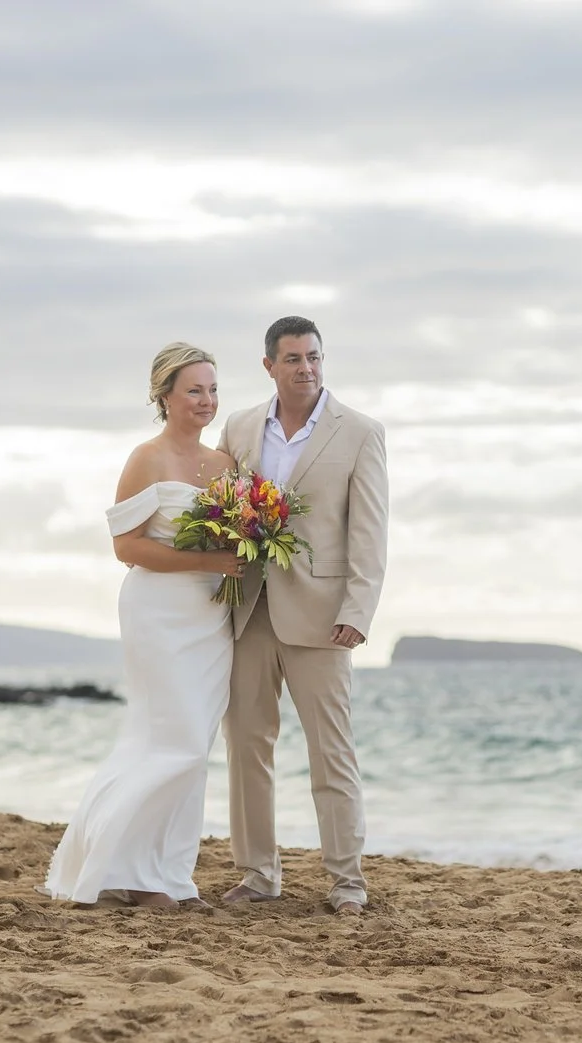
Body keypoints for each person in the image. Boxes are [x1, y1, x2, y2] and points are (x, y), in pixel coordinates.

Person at [43, 342, 244, 911]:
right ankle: (113, 872)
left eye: (211, 389)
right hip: (158, 610)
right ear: (165, 396)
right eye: (194, 390)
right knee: (170, 740)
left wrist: (246, 542)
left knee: (193, 746)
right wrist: (209, 562)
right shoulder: (146, 459)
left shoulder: (224, 466)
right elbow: (126, 547)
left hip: (211, 618)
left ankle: (165, 879)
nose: (206, 401)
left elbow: (232, 539)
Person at [216, 316, 389, 916]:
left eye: (313, 357)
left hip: (323, 615)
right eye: (292, 359)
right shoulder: (238, 428)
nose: (305, 369)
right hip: (247, 608)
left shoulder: (361, 432)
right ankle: (259, 873)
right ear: (269, 365)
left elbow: (369, 530)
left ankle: (347, 881)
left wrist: (359, 608)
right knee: (246, 743)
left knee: (331, 751)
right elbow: (221, 512)